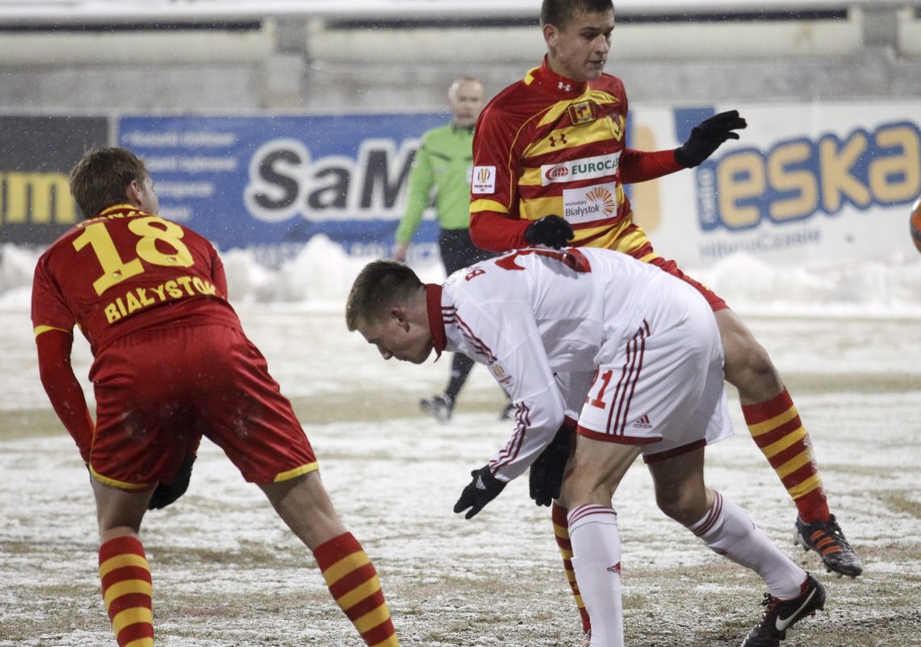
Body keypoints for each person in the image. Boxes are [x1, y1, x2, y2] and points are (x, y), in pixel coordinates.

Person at [468, 0, 862, 581]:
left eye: (608, 35)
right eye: (589, 35)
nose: (602, 48)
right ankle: (593, 624)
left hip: (634, 262)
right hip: (567, 289)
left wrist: (683, 156)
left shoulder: (612, 93)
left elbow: (613, 165)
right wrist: (532, 234)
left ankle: (816, 518)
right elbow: (482, 224)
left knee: (752, 362)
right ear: (551, 36)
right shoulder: (504, 114)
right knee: (572, 483)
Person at [345, 247, 825, 647]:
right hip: (677, 321)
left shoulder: (474, 307)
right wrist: (554, 435)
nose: (384, 353)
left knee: (582, 486)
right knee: (682, 497)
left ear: (399, 316)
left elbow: (541, 409)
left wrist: (494, 474)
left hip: (653, 332)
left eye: (376, 341)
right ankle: (792, 586)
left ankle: (606, 643)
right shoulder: (468, 297)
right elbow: (568, 350)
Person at [32, 147, 398, 647]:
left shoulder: (54, 260)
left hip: (134, 368)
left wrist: (92, 452)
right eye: (152, 187)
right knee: (319, 519)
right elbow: (210, 350)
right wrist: (192, 442)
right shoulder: (194, 241)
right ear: (136, 191)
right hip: (223, 352)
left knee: (117, 524)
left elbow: (54, 369)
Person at [392, 76, 502, 422]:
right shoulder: (433, 142)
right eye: (463, 98)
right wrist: (403, 238)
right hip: (453, 240)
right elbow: (418, 195)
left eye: (474, 99)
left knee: (479, 317)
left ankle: (452, 399)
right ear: (452, 102)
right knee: (474, 319)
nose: (468, 105)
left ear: (483, 102)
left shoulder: (496, 138)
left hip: (489, 235)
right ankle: (516, 396)